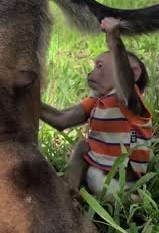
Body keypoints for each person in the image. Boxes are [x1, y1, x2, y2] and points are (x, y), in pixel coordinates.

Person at [40, 17, 153, 198]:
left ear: (133, 73)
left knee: (92, 147)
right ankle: (69, 192)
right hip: (100, 174)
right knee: (83, 145)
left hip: (124, 181)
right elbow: (61, 120)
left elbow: (123, 78)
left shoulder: (129, 98)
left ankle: (131, 201)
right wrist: (27, 99)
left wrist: (115, 40)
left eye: (99, 66)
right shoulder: (98, 100)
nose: (91, 72)